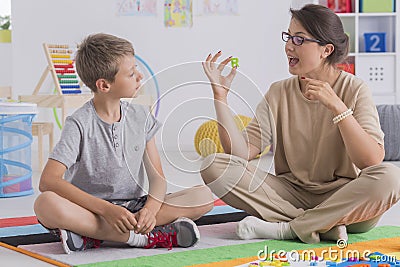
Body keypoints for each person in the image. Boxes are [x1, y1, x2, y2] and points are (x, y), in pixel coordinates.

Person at [200, 4, 400, 244]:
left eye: (299, 39)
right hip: (289, 194)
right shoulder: (278, 93)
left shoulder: (355, 89)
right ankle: (322, 225)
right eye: (288, 36)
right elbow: (240, 154)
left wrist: (337, 107)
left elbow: (370, 161)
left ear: (326, 50)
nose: (288, 46)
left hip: (344, 198)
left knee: (391, 177)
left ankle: (289, 228)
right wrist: (221, 98)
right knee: (214, 165)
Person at [34, 33, 213, 254]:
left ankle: (92, 236)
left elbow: (158, 178)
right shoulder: (79, 123)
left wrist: (150, 209)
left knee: (204, 196)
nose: (139, 76)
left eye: (136, 69)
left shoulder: (141, 117)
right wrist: (107, 210)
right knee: (45, 204)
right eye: (131, 73)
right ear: (104, 85)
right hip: (89, 209)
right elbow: (48, 180)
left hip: (133, 208)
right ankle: (141, 238)